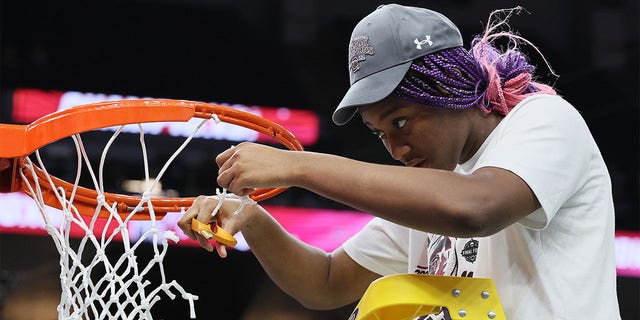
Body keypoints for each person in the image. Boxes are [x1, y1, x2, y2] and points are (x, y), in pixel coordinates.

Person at [178, 4, 621, 319]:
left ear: (449, 87)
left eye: (402, 121)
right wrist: (252, 219)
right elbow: (325, 282)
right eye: (379, 133)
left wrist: (299, 166)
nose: (394, 148)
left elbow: (475, 209)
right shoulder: (429, 188)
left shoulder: (545, 119)